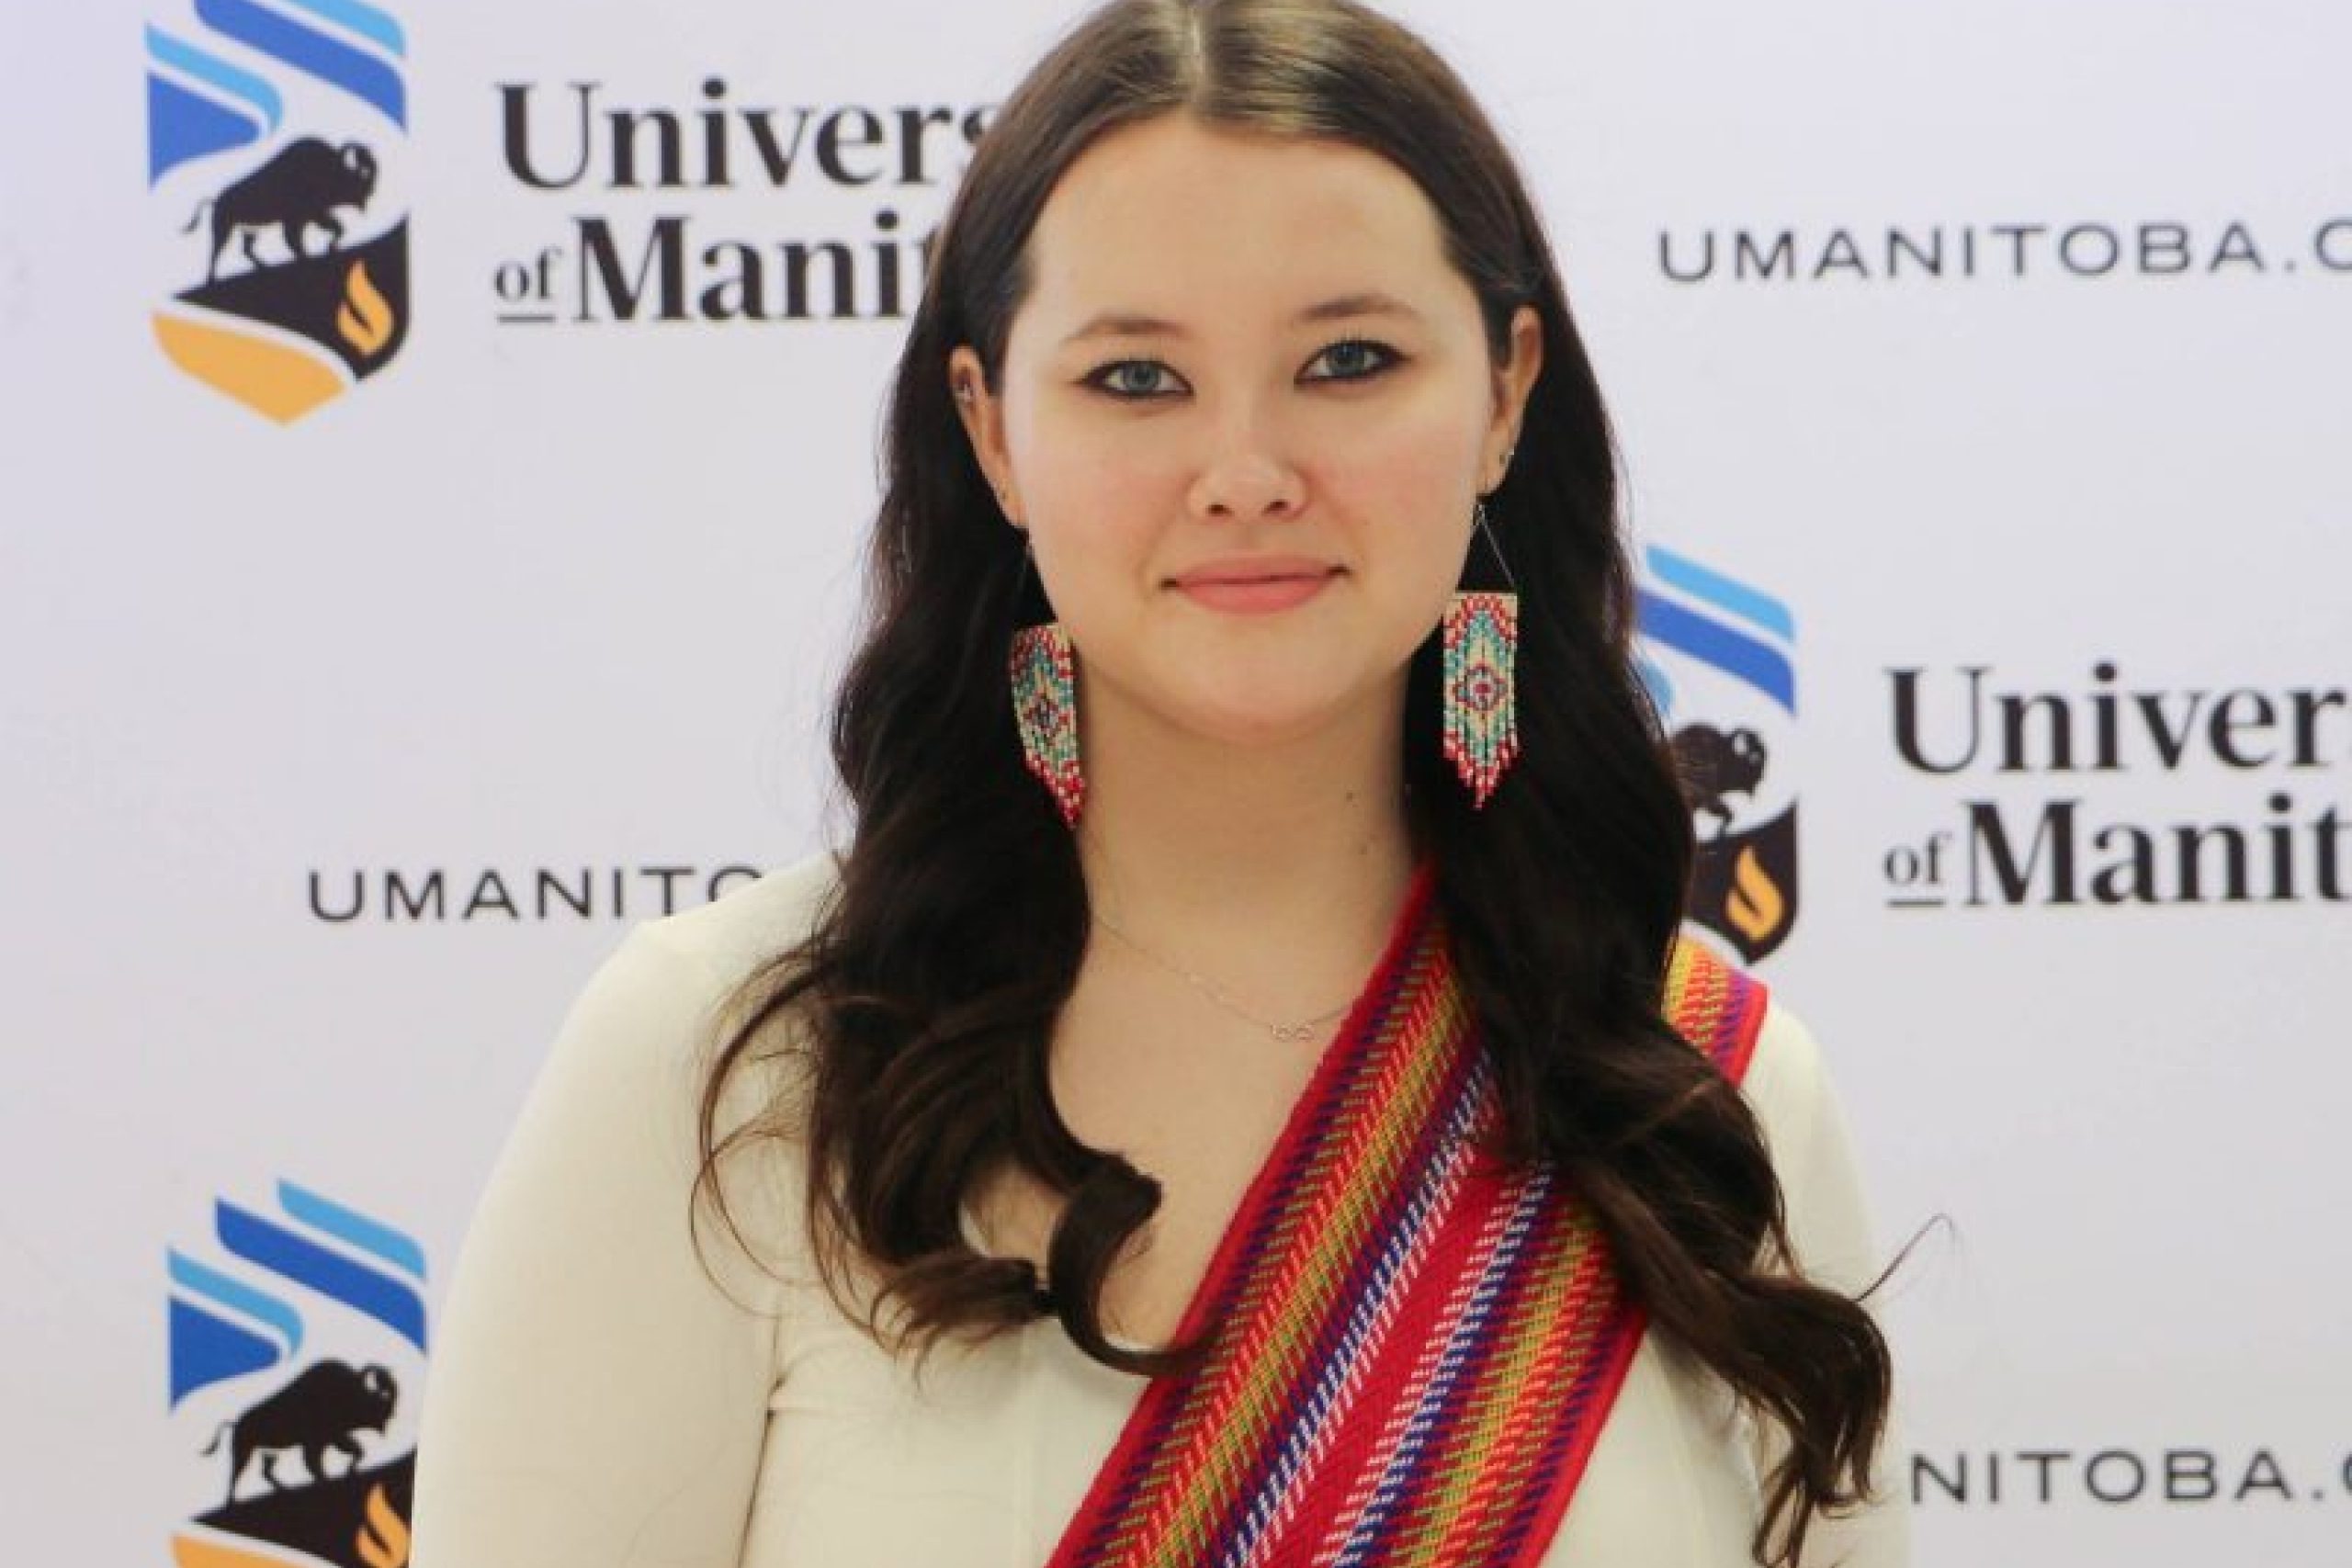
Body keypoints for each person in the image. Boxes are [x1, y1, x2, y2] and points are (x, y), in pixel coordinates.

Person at [412, 1, 1909, 1563]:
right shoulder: (748, 1072)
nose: (1248, 468)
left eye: (1349, 359)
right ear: (991, 431)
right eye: (1137, 379)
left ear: (1506, 394)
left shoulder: (1702, 1091)